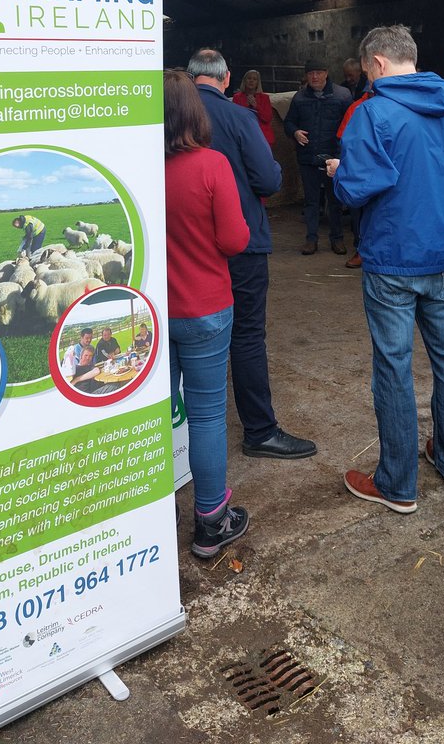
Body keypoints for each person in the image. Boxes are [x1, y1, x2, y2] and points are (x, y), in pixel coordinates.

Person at [327, 25, 444, 511]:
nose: (368, 77)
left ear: (377, 62)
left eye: (367, 70)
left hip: (391, 260)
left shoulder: (372, 113)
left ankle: (397, 484)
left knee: (394, 369)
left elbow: (356, 189)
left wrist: (339, 172)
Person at [189, 49, 316, 460]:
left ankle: (179, 436)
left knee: (190, 332)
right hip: (241, 239)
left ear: (191, 77)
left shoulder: (171, 120)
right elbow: (268, 179)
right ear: (227, 78)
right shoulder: (238, 117)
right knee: (245, 334)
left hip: (186, 243)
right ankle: (259, 431)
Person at [164, 68, 252, 557]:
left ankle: (154, 520)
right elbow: (235, 240)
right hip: (206, 308)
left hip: (152, 317)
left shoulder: (141, 170)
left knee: (154, 417)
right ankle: (211, 520)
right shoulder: (212, 165)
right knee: (207, 414)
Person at [284, 58, 351, 255]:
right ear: (306, 76)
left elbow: (351, 124)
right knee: (311, 201)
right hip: (308, 157)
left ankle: (337, 239)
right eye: (311, 73)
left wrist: (341, 155)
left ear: (326, 73)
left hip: (333, 157)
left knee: (335, 201)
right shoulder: (299, 98)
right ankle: (311, 239)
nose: (314, 77)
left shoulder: (342, 95)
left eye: (318, 72)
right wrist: (295, 132)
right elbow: (289, 122)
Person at [335, 84, 375, 269]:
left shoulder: (394, 106)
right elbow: (343, 137)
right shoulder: (357, 107)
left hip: (381, 167)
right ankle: (361, 249)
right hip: (361, 166)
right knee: (358, 211)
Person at [232, 70, 275, 146]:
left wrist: (256, 106)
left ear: (258, 83)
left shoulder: (264, 98)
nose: (251, 81)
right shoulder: (237, 97)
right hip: (244, 134)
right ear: (244, 81)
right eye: (249, 78)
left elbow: (267, 118)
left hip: (262, 136)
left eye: (254, 79)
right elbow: (235, 118)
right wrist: (246, 106)